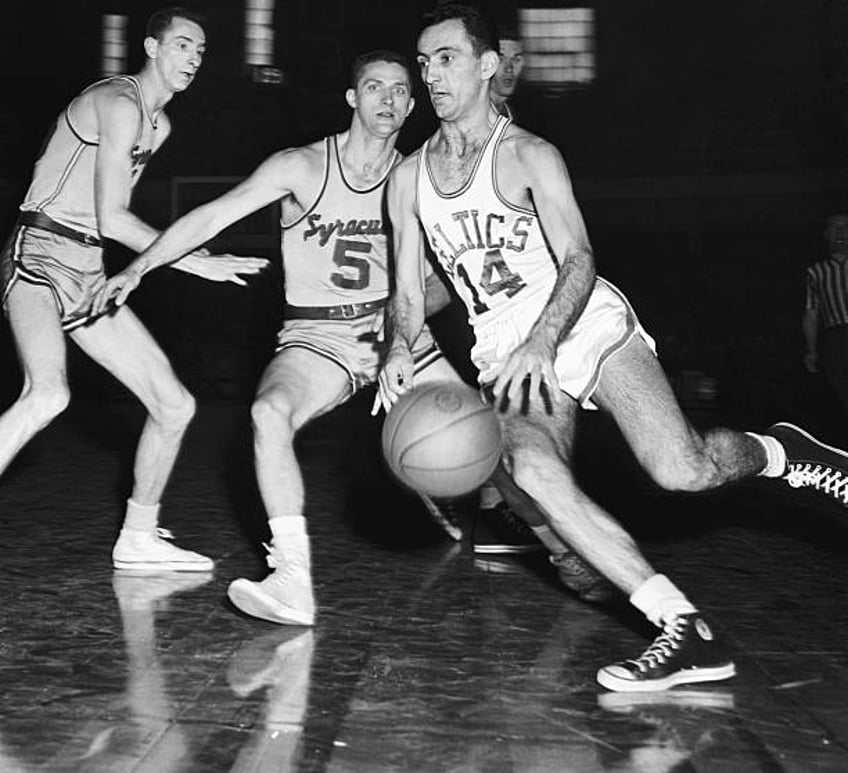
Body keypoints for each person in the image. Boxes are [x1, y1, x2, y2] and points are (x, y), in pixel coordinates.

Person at [376, 2, 848, 692]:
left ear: (485, 65)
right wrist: (395, 347)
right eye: (423, 62)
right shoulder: (407, 179)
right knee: (561, 539)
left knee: (681, 469)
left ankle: (785, 451)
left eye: (445, 58)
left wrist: (544, 339)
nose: (431, 74)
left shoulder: (529, 155)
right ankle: (686, 628)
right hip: (504, 348)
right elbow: (411, 294)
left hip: (578, 321)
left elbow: (580, 258)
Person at [91, 50, 495, 626]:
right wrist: (137, 268)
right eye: (374, 87)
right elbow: (209, 219)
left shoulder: (421, 178)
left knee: (500, 447)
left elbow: (441, 284)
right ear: (353, 99)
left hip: (398, 334)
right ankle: (292, 576)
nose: (388, 99)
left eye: (400, 90)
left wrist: (396, 330)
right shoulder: (300, 167)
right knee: (268, 413)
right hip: (317, 336)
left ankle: (559, 547)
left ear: (412, 104)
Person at [0, 7, 266, 573]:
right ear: (151, 46)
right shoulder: (118, 103)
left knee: (175, 405)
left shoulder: (159, 125)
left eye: (201, 50)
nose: (193, 57)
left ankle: (138, 536)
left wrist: (165, 262)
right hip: (40, 256)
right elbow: (114, 217)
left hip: (88, 270)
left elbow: (109, 229)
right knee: (48, 393)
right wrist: (197, 260)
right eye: (182, 45)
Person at [803, 213, 848, 426]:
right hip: (836, 339)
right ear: (826, 235)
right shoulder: (816, 271)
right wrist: (811, 350)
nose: (840, 233)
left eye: (845, 228)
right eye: (835, 228)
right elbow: (812, 312)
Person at [490, 25, 524, 118]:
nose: (509, 68)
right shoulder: (468, 115)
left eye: (516, 59)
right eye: (501, 59)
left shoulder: (515, 115)